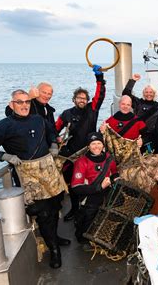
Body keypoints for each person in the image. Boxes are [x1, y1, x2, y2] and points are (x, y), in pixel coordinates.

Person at [0, 89, 69, 269]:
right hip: (28, 175)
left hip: (49, 171)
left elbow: (51, 131)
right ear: (11, 104)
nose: (24, 105)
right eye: (19, 102)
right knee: (42, 213)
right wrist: (6, 157)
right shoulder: (2, 126)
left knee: (56, 205)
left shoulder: (38, 119)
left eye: (27, 102)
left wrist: (53, 145)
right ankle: (54, 250)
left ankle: (55, 236)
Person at [55, 65, 106, 221]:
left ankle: (92, 208)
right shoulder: (66, 114)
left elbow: (100, 95)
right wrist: (55, 139)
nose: (82, 100)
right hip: (71, 154)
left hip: (89, 152)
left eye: (84, 98)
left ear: (88, 100)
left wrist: (99, 78)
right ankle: (74, 208)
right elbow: (54, 129)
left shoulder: (93, 109)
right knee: (73, 183)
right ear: (74, 99)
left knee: (92, 180)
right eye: (79, 98)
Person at [71, 132, 119, 243]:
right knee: (87, 220)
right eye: (93, 144)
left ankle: (101, 235)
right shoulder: (81, 162)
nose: (96, 146)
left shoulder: (109, 158)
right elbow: (76, 187)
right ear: (88, 146)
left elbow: (115, 173)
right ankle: (84, 239)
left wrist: (115, 179)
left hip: (107, 194)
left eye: (99, 143)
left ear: (103, 145)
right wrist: (99, 187)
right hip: (89, 196)